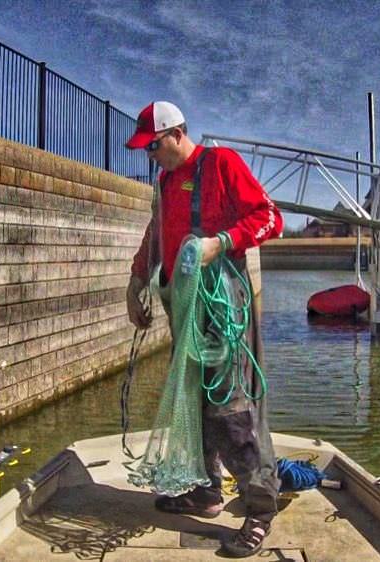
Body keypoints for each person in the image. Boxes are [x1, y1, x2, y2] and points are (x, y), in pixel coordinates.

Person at [124, 101, 283, 558]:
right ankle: (207, 491)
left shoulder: (221, 164)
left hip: (221, 311)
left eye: (153, 145)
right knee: (192, 404)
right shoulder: (166, 181)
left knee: (231, 410)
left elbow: (270, 218)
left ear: (176, 134)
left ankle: (259, 509)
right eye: (146, 149)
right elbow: (156, 235)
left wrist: (223, 242)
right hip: (183, 308)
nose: (150, 155)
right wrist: (136, 283)